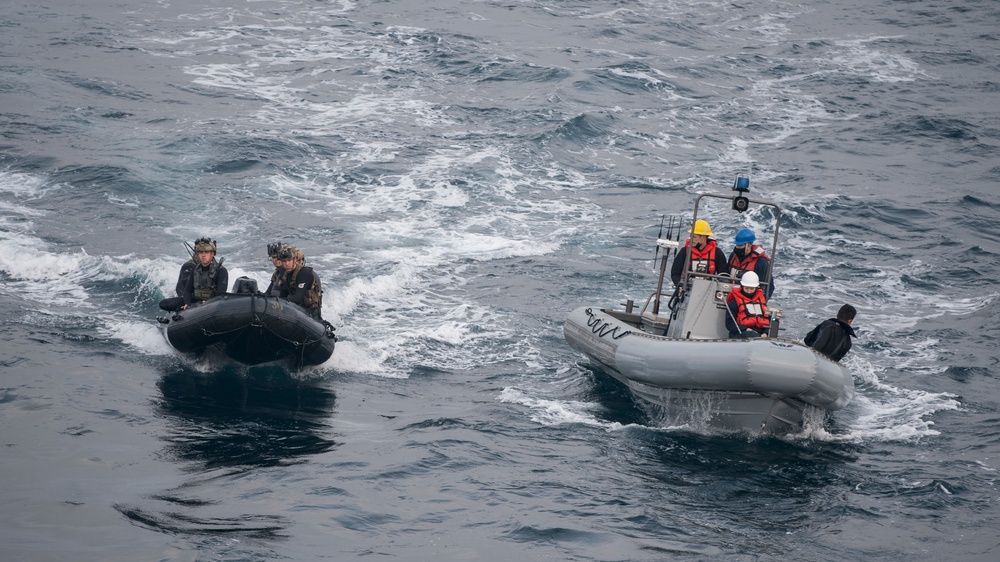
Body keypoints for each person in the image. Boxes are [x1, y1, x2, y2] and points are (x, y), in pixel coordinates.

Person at [670, 219, 729, 287]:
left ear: (703, 238)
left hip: (709, 289)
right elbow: (675, 273)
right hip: (687, 289)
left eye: (694, 237)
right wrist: (680, 286)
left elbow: (723, 276)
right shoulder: (684, 252)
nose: (691, 239)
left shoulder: (717, 253)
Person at [180, 238, 228, 310]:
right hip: (196, 301)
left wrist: (208, 302)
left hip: (212, 303)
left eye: (206, 252)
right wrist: (187, 303)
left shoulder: (221, 271)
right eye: (200, 252)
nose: (203, 255)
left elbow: (220, 295)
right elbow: (187, 290)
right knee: (166, 304)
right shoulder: (195, 269)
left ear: (212, 254)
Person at [277, 246, 323, 321]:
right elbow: (282, 294)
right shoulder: (283, 273)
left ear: (294, 260)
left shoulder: (304, 273)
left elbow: (297, 298)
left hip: (310, 312)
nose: (286, 264)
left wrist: (282, 300)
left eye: (289, 260)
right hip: (293, 309)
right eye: (284, 261)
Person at [728, 228, 774, 299]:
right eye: (737, 245)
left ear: (749, 245)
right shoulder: (733, 256)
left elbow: (767, 287)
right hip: (730, 294)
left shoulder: (761, 262)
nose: (737, 248)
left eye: (740, 246)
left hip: (749, 298)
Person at [725, 271, 770, 338]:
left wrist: (765, 333)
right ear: (742, 287)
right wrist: (746, 329)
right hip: (740, 334)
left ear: (756, 288)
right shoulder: (734, 303)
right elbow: (729, 324)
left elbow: (767, 318)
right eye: (746, 288)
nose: (749, 291)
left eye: (752, 289)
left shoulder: (761, 301)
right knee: (751, 335)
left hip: (760, 334)